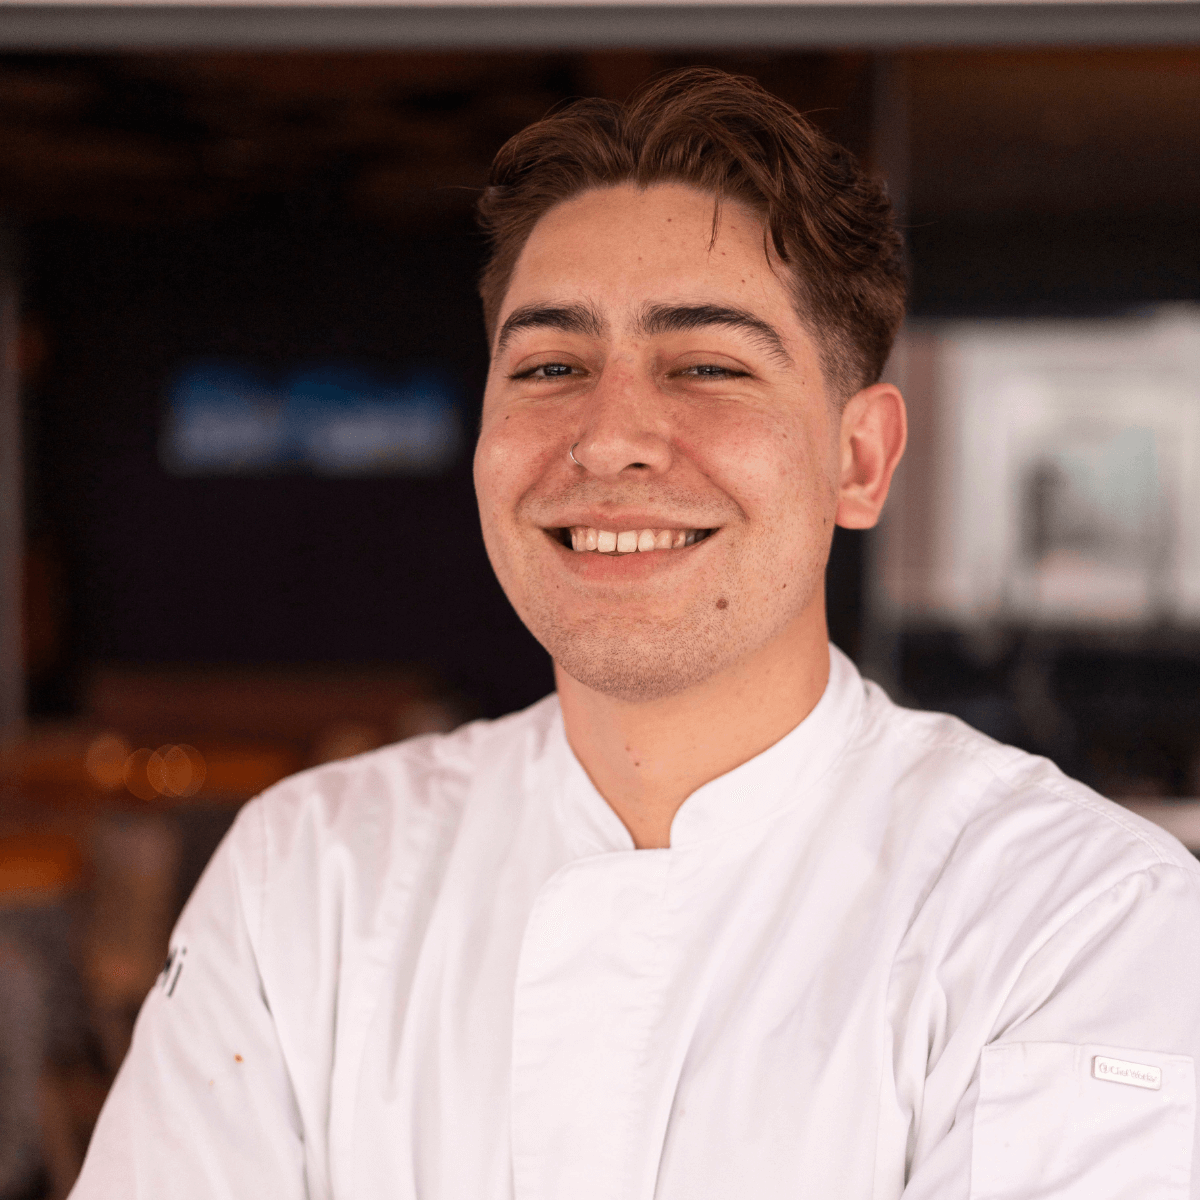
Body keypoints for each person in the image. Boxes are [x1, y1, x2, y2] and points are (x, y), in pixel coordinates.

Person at [70, 68, 1200, 1200]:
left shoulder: (1071, 918)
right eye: (550, 367)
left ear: (860, 460)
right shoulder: (306, 876)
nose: (608, 438)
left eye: (707, 366)